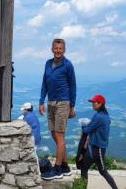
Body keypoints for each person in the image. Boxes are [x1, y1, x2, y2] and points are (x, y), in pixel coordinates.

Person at [39, 38, 77, 180]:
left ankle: (57, 169)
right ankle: (66, 165)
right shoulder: (48, 64)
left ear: (64, 50)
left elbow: (73, 86)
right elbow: (44, 83)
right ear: (52, 49)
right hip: (50, 102)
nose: (58, 51)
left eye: (60, 48)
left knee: (60, 135)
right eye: (55, 48)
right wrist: (41, 101)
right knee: (54, 134)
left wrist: (72, 106)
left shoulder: (68, 65)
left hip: (63, 102)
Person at [78, 95, 119, 189]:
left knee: (102, 170)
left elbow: (86, 130)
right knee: (85, 167)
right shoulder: (105, 116)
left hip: (97, 148)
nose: (92, 104)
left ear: (100, 104)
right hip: (96, 147)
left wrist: (83, 124)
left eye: (94, 102)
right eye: (92, 102)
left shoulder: (98, 116)